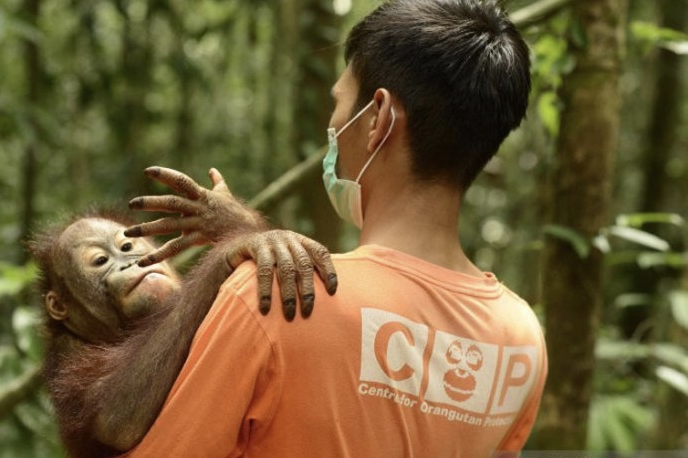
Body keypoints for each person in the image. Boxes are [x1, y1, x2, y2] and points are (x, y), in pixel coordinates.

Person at [126, 0, 547, 456]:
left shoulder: (272, 294)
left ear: (378, 118)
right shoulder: (522, 339)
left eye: (340, 103)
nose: (333, 125)